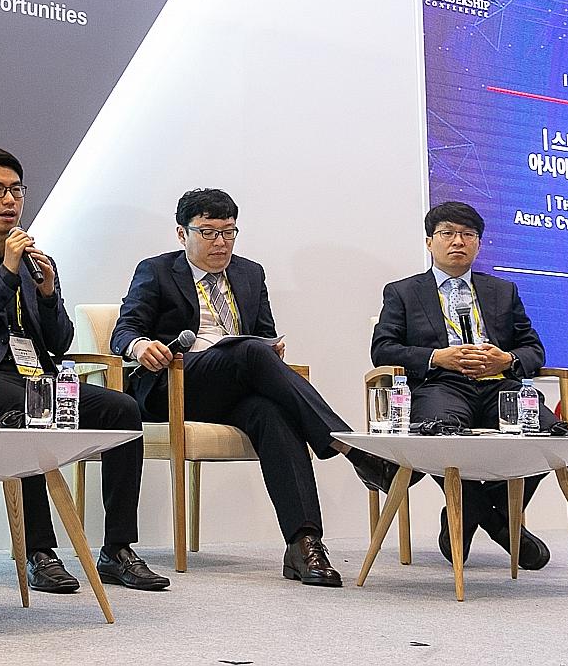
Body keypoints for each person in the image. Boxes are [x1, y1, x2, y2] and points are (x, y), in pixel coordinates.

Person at [110, 188, 397, 587]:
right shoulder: (156, 270)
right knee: (248, 352)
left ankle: (304, 544)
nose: (220, 243)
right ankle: (349, 448)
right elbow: (123, 331)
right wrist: (141, 345)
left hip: (232, 387)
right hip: (174, 385)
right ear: (182, 234)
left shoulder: (250, 273)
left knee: (273, 412)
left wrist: (272, 349)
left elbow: (264, 336)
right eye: (208, 233)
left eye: (229, 233)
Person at [0, 147, 170, 594]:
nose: (9, 201)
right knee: (32, 412)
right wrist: (6, 271)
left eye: (16, 191)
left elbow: (59, 342)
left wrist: (46, 292)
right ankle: (40, 552)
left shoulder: (39, 262)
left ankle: (117, 548)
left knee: (121, 409)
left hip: (38, 375)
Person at [372, 200, 555, 569]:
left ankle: (490, 511)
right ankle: (492, 517)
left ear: (479, 243)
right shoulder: (403, 292)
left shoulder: (503, 291)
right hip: (441, 385)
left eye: (468, 234)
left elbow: (534, 348)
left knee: (550, 434)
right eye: (448, 234)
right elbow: (383, 349)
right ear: (429, 242)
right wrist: (437, 356)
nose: (458, 241)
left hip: (499, 386)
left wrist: (507, 359)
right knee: (441, 431)